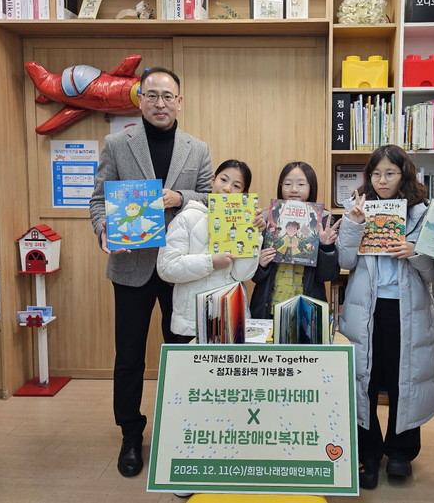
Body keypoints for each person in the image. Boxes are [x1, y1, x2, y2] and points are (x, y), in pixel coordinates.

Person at [89, 66, 212, 478]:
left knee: (181, 351)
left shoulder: (197, 149)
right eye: (152, 95)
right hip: (131, 266)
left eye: (168, 96)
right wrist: (104, 228)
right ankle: (130, 433)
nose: (161, 103)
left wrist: (181, 196)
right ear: (140, 99)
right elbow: (98, 201)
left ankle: (182, 427)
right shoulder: (116, 144)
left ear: (180, 101)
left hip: (180, 268)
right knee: (129, 357)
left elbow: (211, 198)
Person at [336, 144, 434, 490]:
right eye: (377, 174)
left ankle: (400, 453)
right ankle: (367, 453)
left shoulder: (423, 212)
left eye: (390, 173)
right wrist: (353, 224)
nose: (382, 181)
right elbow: (345, 262)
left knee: (404, 380)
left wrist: (415, 252)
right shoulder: (356, 207)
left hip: (406, 310)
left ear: (404, 175)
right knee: (364, 381)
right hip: (365, 309)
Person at [157, 159, 265, 343]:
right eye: (224, 180)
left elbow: (242, 274)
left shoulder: (243, 223)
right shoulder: (186, 218)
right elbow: (166, 268)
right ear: (213, 181)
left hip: (231, 318)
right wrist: (211, 262)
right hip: (192, 322)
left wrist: (255, 235)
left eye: (236, 186)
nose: (227, 188)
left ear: (244, 194)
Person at [249, 161, 340, 319]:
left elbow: (327, 276)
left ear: (311, 187)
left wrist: (326, 247)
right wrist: (260, 264)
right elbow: (255, 277)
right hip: (268, 307)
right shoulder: (266, 220)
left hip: (306, 310)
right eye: (287, 184)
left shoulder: (323, 222)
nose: (294, 189)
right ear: (280, 186)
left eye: (301, 184)